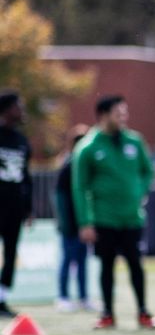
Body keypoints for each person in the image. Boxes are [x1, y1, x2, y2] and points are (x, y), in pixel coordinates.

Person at [74, 95, 155, 330]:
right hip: (104, 219)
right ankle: (107, 313)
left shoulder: (135, 141)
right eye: (118, 113)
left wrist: (138, 192)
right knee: (106, 266)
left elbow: (147, 172)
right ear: (103, 115)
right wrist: (85, 222)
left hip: (132, 218)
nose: (124, 118)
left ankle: (143, 311)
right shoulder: (88, 147)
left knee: (136, 265)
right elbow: (79, 187)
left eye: (125, 113)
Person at [0, 90, 32, 318]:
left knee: (11, 254)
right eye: (18, 106)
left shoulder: (22, 141)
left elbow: (26, 177)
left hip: (13, 209)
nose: (22, 111)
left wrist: (28, 208)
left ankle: (1, 300)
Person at [53, 124, 91, 312]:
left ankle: (84, 297)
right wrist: (66, 223)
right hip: (70, 224)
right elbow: (60, 197)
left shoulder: (82, 166)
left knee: (83, 261)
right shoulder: (68, 166)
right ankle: (63, 296)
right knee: (68, 260)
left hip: (83, 223)